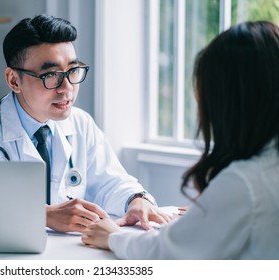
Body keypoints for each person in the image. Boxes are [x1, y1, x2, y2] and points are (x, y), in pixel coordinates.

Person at [0, 14, 171, 233]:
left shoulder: (81, 124)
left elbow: (112, 182)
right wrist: (42, 215)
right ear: (13, 80)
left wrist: (136, 199)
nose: (67, 88)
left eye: (73, 71)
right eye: (51, 75)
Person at [81, 20, 279, 259]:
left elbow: (166, 254)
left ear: (229, 102)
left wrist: (113, 236)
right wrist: (206, 218)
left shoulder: (244, 181)